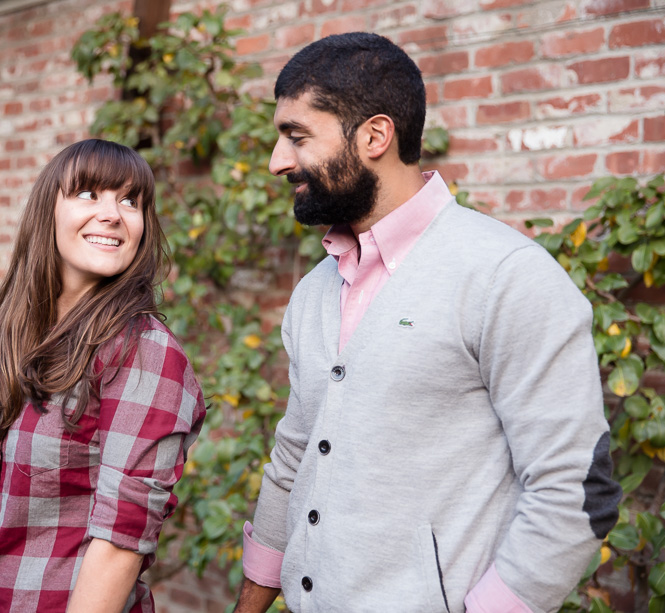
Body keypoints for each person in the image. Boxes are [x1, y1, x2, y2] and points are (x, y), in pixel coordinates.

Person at [234, 33, 621, 613]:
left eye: (296, 136)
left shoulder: (504, 276)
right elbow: (295, 459)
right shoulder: (314, 293)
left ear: (374, 135)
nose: (278, 161)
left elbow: (577, 490)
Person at [0, 139, 206, 613]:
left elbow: (120, 545)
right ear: (47, 211)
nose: (113, 214)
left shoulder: (141, 351)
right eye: (89, 194)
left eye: (130, 200)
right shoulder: (20, 336)